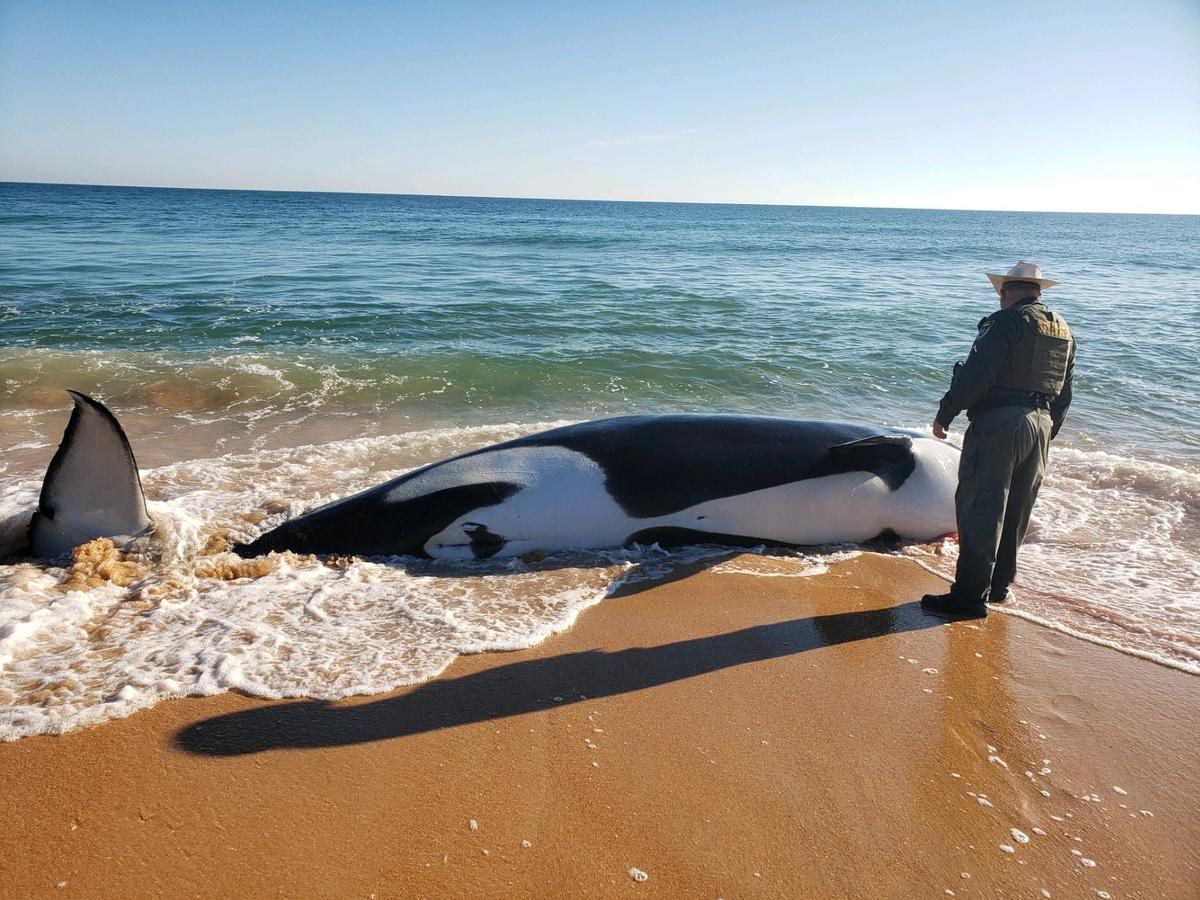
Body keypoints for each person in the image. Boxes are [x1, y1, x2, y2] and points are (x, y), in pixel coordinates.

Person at [921, 261, 1075, 620]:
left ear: (1005, 291)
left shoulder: (1004, 321)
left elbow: (977, 374)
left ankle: (969, 597)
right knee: (1017, 510)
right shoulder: (1063, 330)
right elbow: (1065, 391)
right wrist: (1049, 431)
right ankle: (1000, 587)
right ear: (1038, 292)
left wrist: (946, 413)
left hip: (999, 422)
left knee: (981, 508)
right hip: (1040, 424)